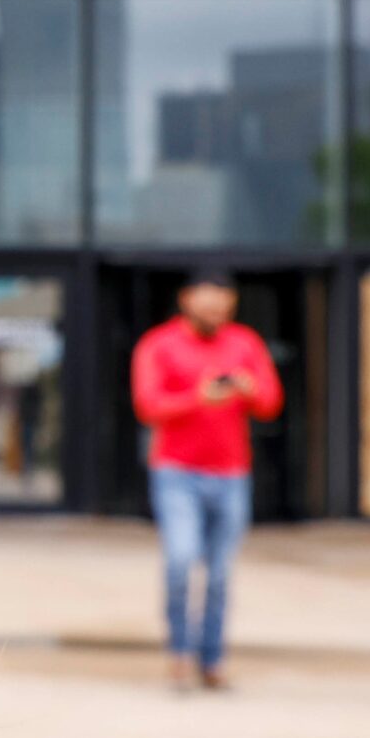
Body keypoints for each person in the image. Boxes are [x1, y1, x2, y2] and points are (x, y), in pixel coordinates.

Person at [129, 271, 283, 691]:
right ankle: (180, 651)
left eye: (224, 301)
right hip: (176, 472)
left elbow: (271, 402)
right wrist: (197, 398)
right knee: (180, 561)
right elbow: (147, 404)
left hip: (231, 474)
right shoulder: (159, 344)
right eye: (207, 299)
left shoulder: (245, 343)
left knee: (219, 574)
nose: (216, 308)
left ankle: (212, 657)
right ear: (186, 299)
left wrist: (248, 391)